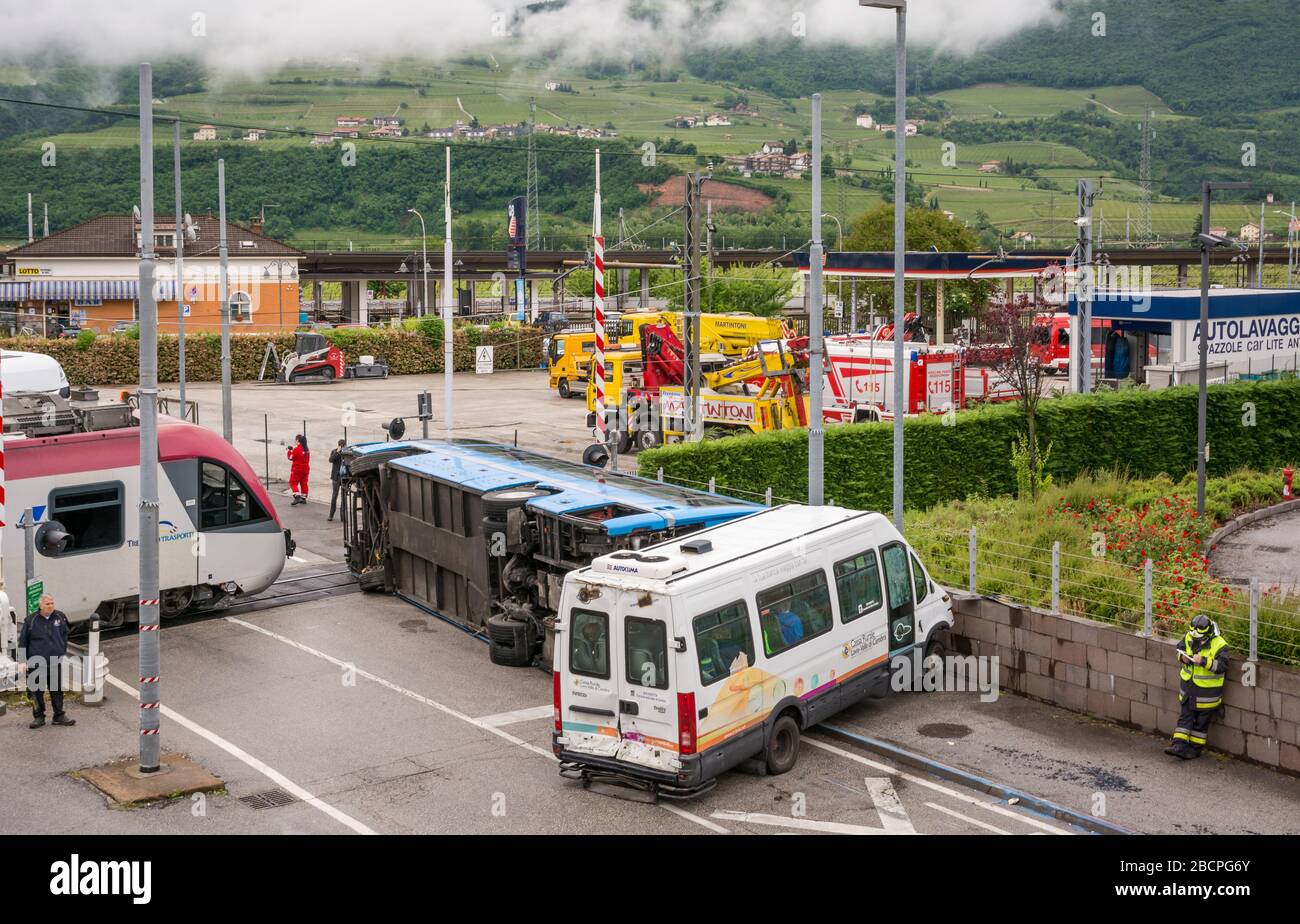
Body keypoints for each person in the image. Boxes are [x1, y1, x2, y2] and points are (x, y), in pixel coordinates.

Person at [1165, 614, 1229, 760]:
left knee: (1201, 724)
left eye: (1199, 638)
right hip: (1189, 688)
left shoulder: (1220, 644)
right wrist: (1183, 657)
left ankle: (1194, 750)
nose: (1196, 640)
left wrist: (1204, 661)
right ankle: (1178, 746)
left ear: (1208, 632)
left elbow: (1223, 666)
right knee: (1184, 718)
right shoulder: (1189, 636)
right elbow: (1179, 650)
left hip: (1207, 694)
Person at [18, 595, 76, 729]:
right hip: (36, 663)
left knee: (56, 690)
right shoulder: (31, 620)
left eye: (52, 603)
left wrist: (62, 650)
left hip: (55, 661)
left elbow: (65, 634)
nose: (50, 606)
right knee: (36, 691)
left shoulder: (60, 616)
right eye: (47, 604)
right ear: (41, 606)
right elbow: (23, 642)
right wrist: (22, 661)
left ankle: (59, 716)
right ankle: (38, 717)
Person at [287, 434, 310, 505]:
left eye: (295, 440)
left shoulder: (297, 449)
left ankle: (297, 496)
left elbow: (291, 457)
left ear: (298, 440)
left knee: (293, 483)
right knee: (304, 484)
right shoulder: (307, 450)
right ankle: (303, 498)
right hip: (305, 469)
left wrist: (289, 451)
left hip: (297, 470)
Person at [328, 439, 346, 521]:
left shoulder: (346, 453)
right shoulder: (334, 451)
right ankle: (331, 515)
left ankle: (343, 516)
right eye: (341, 446)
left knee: (344, 497)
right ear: (338, 446)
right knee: (334, 496)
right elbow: (331, 460)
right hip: (336, 477)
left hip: (344, 477)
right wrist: (338, 452)